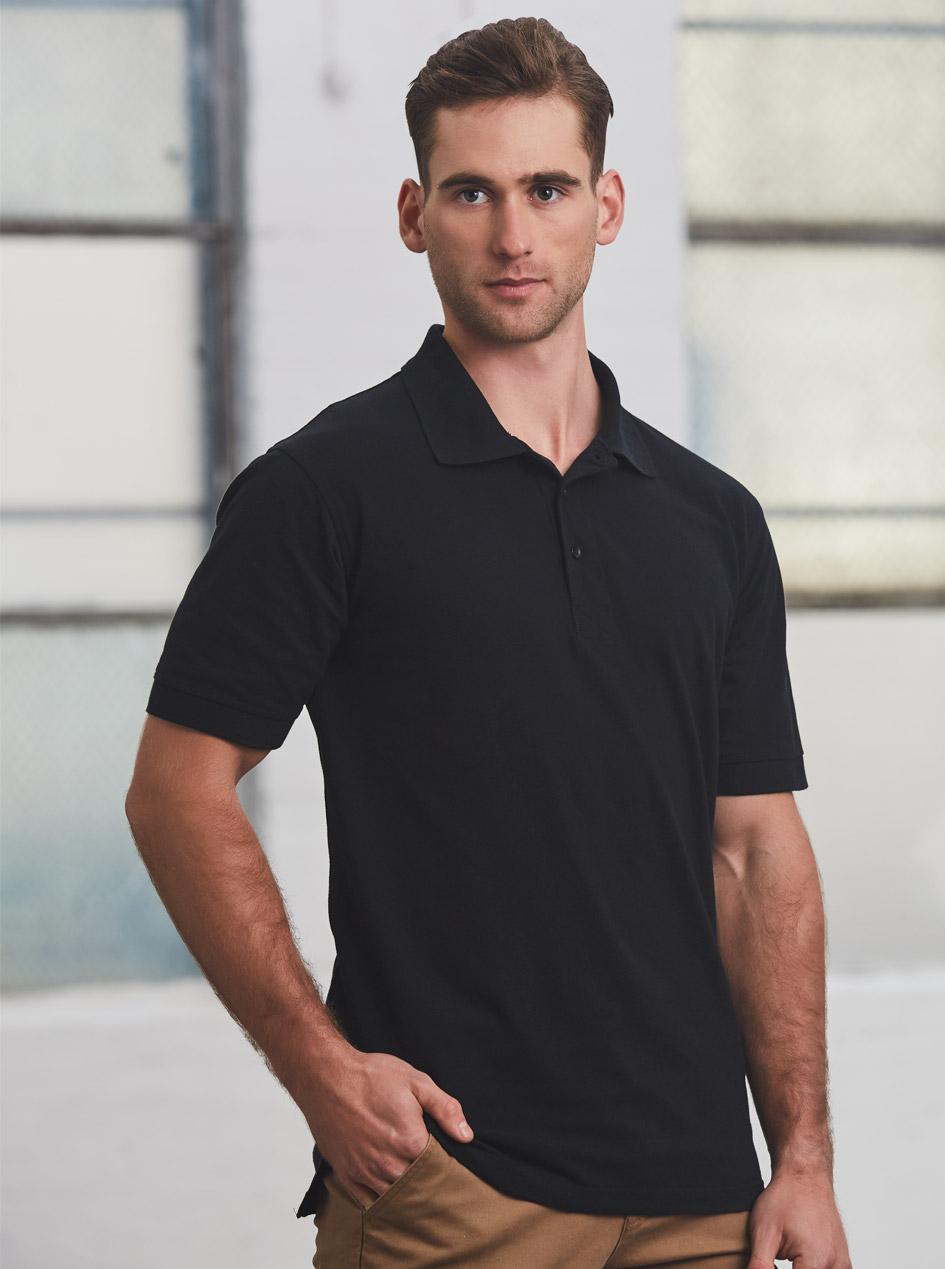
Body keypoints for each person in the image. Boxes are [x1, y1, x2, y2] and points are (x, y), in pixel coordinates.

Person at [125, 16, 853, 1269]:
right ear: (415, 216)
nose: (513, 236)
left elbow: (754, 849)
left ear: (605, 206)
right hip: (454, 1192)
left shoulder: (711, 521)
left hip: (703, 1197)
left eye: (547, 190)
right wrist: (320, 1070)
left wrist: (803, 1157)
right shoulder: (324, 491)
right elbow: (175, 791)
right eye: (472, 193)